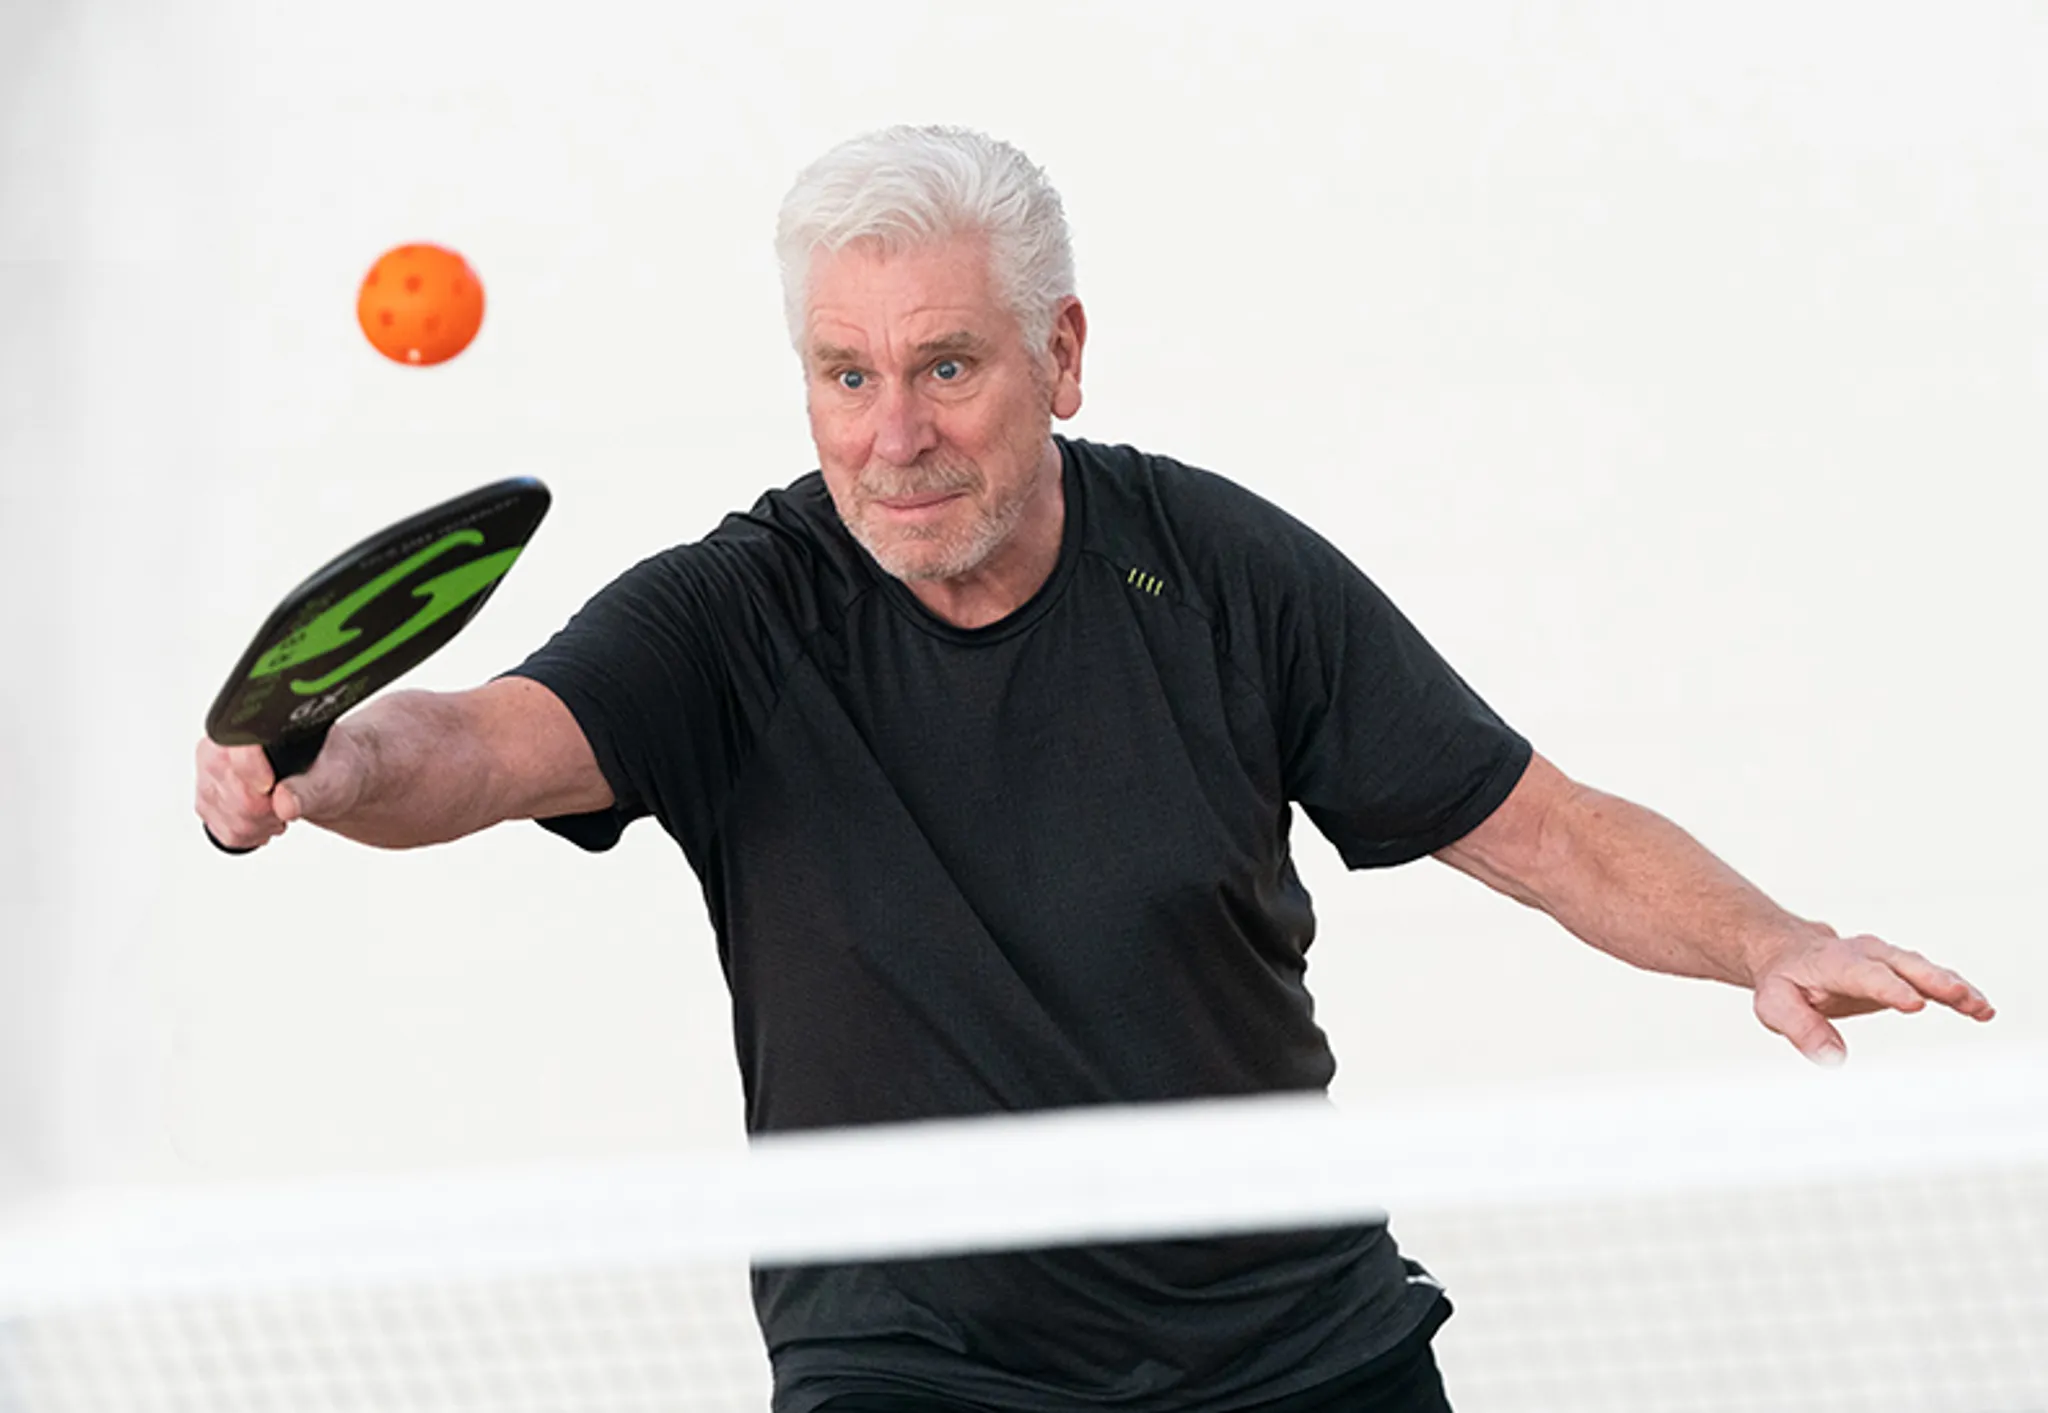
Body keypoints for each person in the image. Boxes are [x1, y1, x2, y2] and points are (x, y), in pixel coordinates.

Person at [194, 125, 1995, 1413]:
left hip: (1291, 1337)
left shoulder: (1219, 571)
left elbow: (1542, 827)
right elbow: (481, 746)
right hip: (912, 1354)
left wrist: (1768, 936)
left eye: (946, 366)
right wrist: (325, 759)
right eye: (842, 376)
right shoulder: (735, 616)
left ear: (1059, 355)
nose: (889, 435)